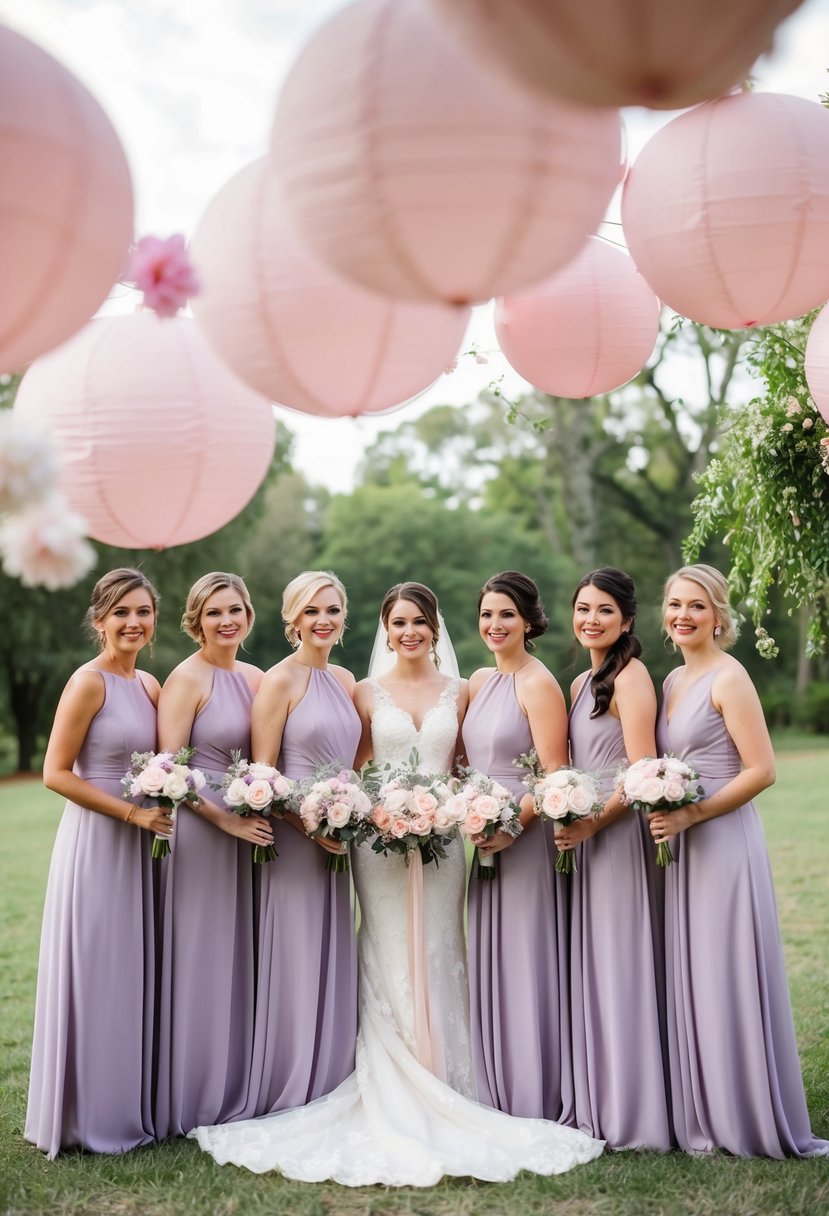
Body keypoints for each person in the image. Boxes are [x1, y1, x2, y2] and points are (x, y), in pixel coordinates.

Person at [189, 580, 604, 1185]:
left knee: (440, 945)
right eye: (397, 622)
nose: (408, 631)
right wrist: (360, 809)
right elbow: (356, 765)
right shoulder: (362, 691)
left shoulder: (462, 692)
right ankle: (385, 1069)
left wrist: (469, 810)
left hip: (442, 844)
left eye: (418, 621)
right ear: (386, 631)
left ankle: (448, 1073)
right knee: (384, 949)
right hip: (377, 845)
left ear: (434, 628)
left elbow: (467, 765)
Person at [651, 563, 828, 1157]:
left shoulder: (730, 677)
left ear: (719, 615)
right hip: (682, 845)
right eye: (675, 605)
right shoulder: (673, 681)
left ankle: (743, 1111)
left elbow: (763, 770)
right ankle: (701, 1108)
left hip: (722, 840)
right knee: (694, 971)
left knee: (725, 968)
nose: (683, 615)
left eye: (697, 606)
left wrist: (692, 815)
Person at [25, 568, 168, 1158]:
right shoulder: (88, 683)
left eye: (142, 611)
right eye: (121, 613)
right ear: (99, 619)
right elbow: (55, 773)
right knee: (98, 966)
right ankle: (86, 1115)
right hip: (99, 840)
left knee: (132, 969)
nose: (133, 622)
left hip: (146, 843)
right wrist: (131, 816)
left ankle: (127, 1101)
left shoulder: (151, 685)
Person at [556, 567, 670, 1150]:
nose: (590, 620)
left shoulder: (632, 677)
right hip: (587, 837)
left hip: (620, 838)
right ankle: (599, 1096)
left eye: (603, 610)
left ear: (626, 620)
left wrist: (593, 823)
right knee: (594, 965)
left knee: (620, 963)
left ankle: (635, 1109)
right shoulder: (581, 684)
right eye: (582, 608)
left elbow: (642, 770)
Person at [241, 570, 361, 1118]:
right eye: (312, 611)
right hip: (293, 844)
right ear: (292, 619)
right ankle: (289, 1081)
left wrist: (351, 812)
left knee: (332, 952)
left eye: (332, 609)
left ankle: (330, 1075)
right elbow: (262, 777)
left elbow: (357, 763)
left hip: (340, 844)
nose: (323, 620)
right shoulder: (278, 681)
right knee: (294, 955)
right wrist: (308, 823)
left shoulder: (345, 678)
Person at [154, 573, 268, 1138]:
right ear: (196, 620)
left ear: (249, 615)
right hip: (204, 831)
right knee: (202, 956)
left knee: (241, 955)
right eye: (214, 612)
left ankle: (237, 1086)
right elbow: (168, 768)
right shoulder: (186, 678)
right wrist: (223, 819)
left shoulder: (254, 677)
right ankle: (191, 1097)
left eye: (235, 610)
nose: (227, 620)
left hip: (252, 827)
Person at [464, 571, 573, 1122]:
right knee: (491, 958)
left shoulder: (538, 683)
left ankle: (535, 1090)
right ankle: (496, 1083)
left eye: (506, 614)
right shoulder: (482, 681)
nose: (495, 624)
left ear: (529, 620)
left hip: (524, 843)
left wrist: (511, 826)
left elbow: (554, 774)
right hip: (483, 842)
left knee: (526, 959)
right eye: (486, 614)